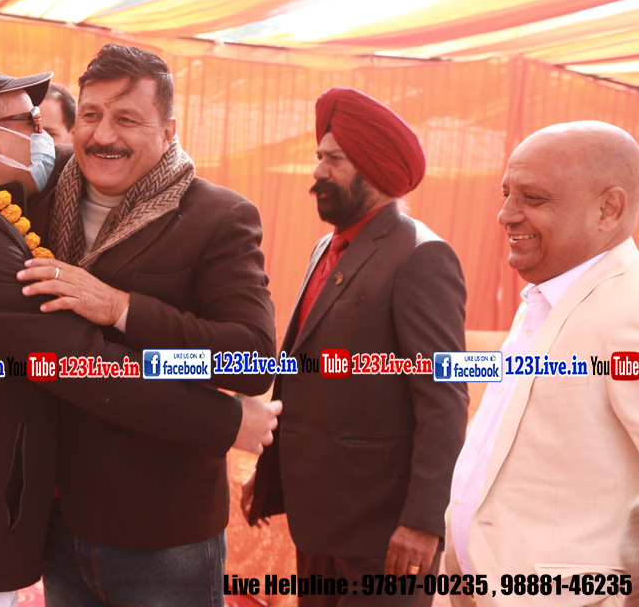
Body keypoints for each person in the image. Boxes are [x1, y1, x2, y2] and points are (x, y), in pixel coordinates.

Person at [0, 66, 280, 607]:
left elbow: (252, 360)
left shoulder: (218, 215)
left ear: (168, 130)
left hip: (159, 526)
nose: (103, 135)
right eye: (91, 115)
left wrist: (122, 309)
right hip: (51, 519)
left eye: (127, 119)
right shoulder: (41, 183)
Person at [244, 86, 469, 606]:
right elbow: (301, 375)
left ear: (375, 169)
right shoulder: (327, 247)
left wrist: (422, 522)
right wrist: (269, 475)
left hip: (384, 534)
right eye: (319, 156)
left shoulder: (422, 256)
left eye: (335, 160)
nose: (317, 172)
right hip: (321, 521)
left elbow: (444, 398)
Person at [445, 121, 639, 607]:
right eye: (506, 194)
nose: (505, 215)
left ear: (608, 210)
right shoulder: (548, 297)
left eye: (533, 198)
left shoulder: (629, 311)